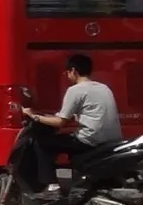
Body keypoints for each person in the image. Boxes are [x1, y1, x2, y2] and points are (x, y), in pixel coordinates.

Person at [21, 50, 122, 191]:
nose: (67, 76)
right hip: (111, 139)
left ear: (73, 71)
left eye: (67, 72)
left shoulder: (75, 90)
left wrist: (34, 116)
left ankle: (52, 186)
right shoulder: (104, 87)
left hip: (89, 140)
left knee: (42, 143)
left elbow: (60, 122)